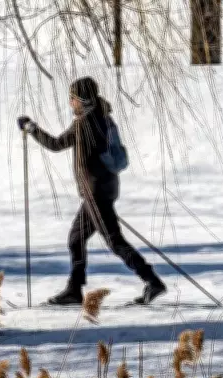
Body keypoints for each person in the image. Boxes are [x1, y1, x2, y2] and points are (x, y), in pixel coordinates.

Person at [17, 77, 166, 306]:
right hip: (103, 189)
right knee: (76, 239)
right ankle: (74, 290)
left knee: (114, 241)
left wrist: (31, 128)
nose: (70, 102)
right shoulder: (101, 118)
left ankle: (152, 281)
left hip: (95, 192)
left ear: (82, 100)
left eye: (73, 98)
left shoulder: (85, 123)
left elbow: (56, 144)